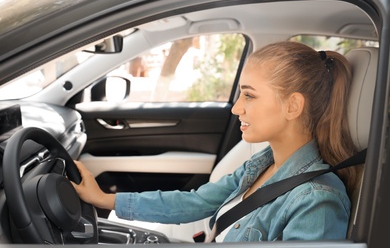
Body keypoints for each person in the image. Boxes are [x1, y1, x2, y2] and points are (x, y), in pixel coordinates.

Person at [71, 41, 359, 242]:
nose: (236, 109)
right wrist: (105, 198)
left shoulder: (317, 202)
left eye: (249, 95)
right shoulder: (262, 164)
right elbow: (196, 202)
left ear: (292, 106)